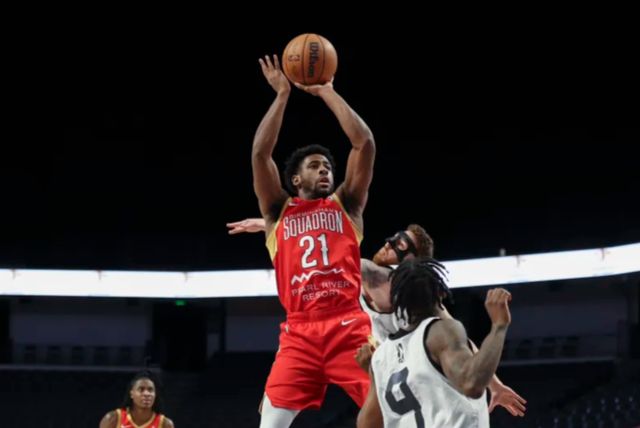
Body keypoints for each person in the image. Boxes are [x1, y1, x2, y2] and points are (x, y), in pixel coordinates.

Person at [227, 219, 526, 417]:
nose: (389, 243)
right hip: (371, 362)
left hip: (405, 372)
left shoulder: (401, 287)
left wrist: (495, 385)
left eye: (400, 244)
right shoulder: (366, 274)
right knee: (276, 404)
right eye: (393, 238)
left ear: (412, 260)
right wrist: (272, 225)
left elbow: (458, 338)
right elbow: (318, 241)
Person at [250, 54, 376, 428]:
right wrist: (282, 96)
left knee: (393, 412)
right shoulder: (277, 211)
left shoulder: (346, 204)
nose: (325, 170)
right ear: (295, 180)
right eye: (315, 166)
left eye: (328, 167)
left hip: (350, 327)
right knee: (270, 424)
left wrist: (326, 92)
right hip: (299, 333)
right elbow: (260, 154)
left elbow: (364, 143)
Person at [357, 258, 513, 428]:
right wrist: (498, 327)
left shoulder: (380, 356)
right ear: (441, 292)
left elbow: (367, 425)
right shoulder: (440, 331)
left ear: (396, 300)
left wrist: (374, 378)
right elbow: (471, 384)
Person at [99, 370, 175, 428]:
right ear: (131, 394)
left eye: (150, 390)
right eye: (141, 389)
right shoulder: (113, 419)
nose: (147, 394)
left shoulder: (165, 424)